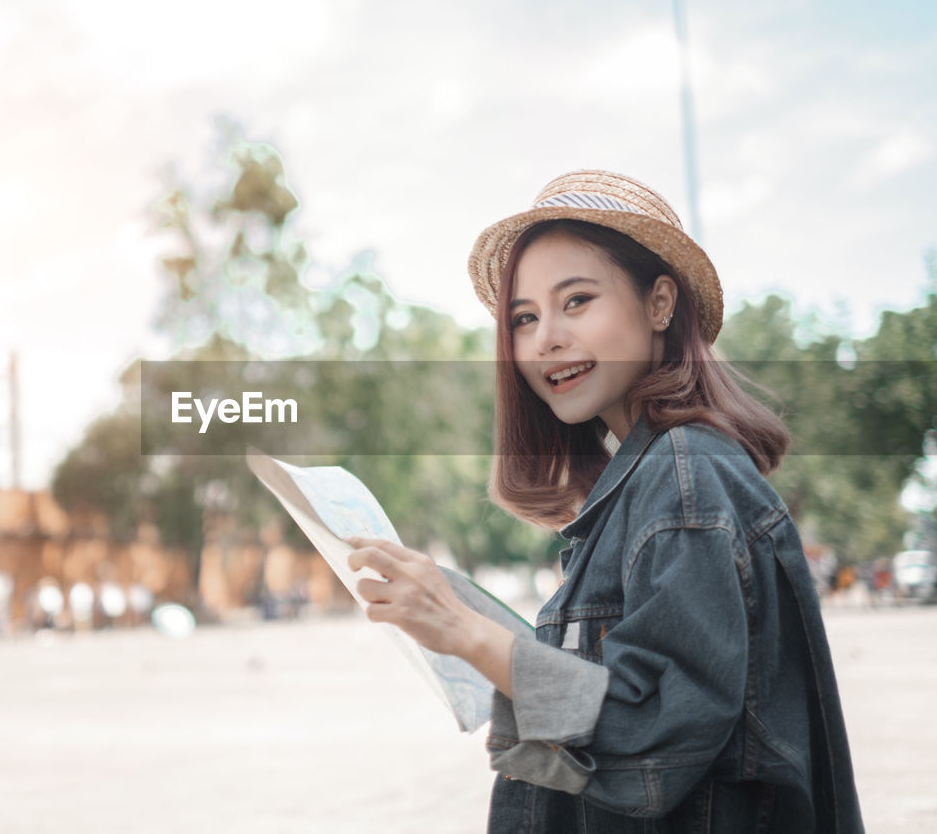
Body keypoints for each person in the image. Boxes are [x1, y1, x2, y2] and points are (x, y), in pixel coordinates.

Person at [346, 170, 863, 832]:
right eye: (524, 318)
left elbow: (648, 726)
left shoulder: (686, 476)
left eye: (578, 300)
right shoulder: (650, 478)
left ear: (660, 304)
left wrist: (468, 634)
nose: (545, 338)